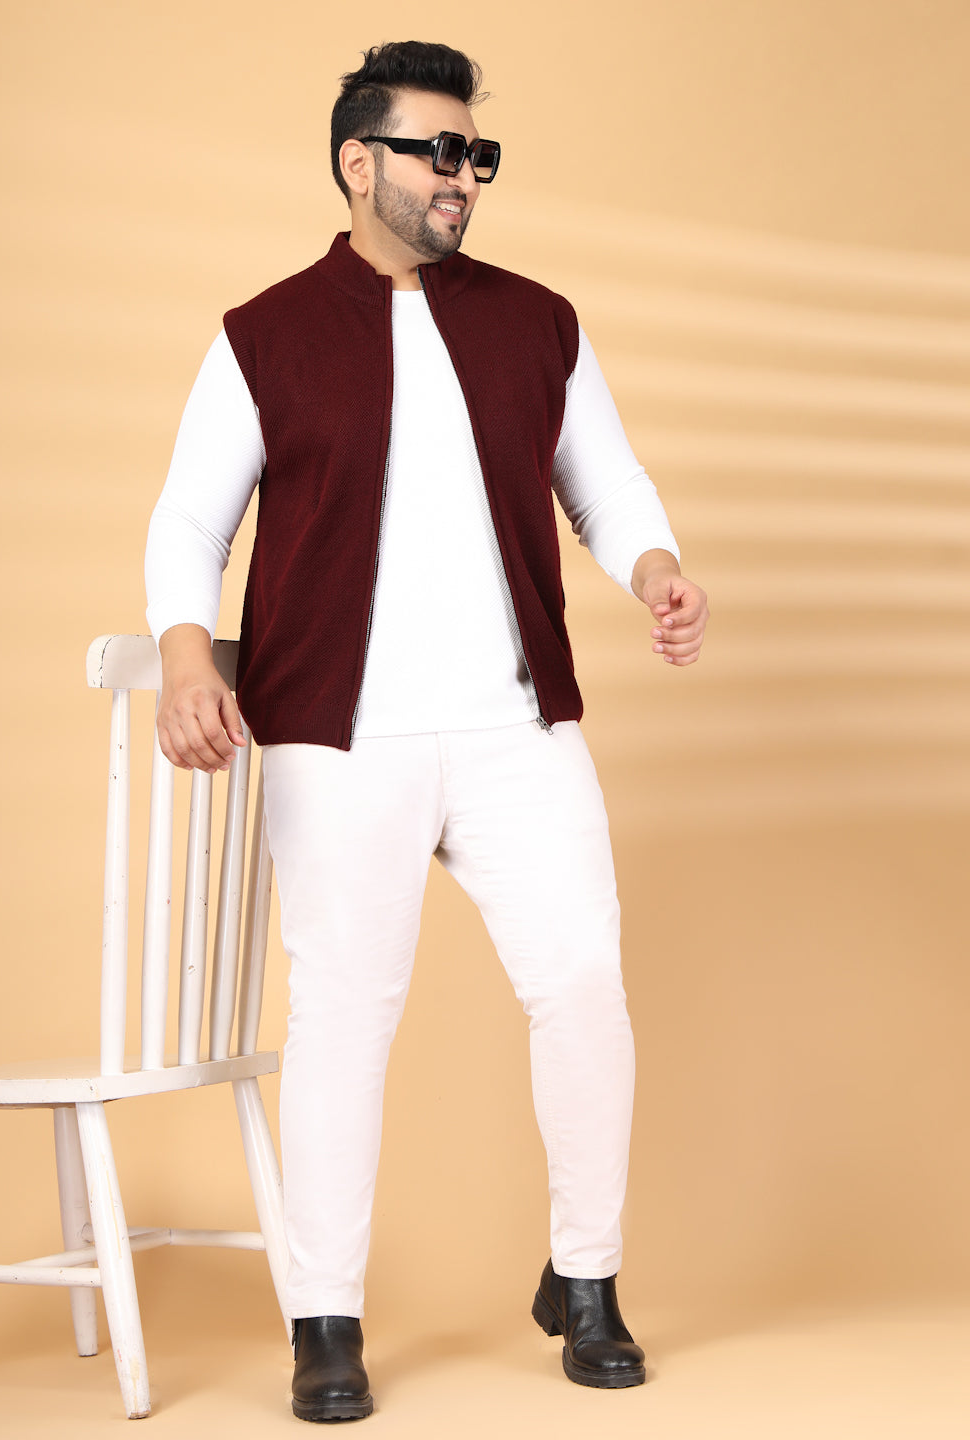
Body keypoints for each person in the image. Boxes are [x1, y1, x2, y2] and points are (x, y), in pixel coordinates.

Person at [144, 40, 708, 1423]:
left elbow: (610, 487)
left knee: (582, 981)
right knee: (344, 1015)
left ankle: (587, 1280)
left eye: (477, 156)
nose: (462, 177)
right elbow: (190, 522)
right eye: (436, 151)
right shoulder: (266, 334)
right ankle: (323, 1317)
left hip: (517, 725)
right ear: (359, 163)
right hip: (342, 736)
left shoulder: (538, 323)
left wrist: (655, 571)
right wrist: (183, 656)